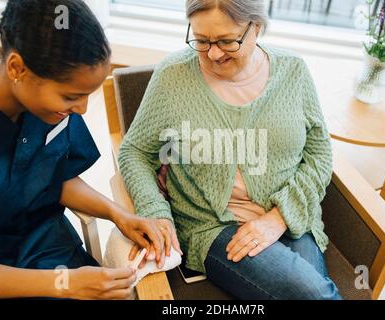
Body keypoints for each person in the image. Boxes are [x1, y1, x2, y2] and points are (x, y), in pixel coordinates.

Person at [119, 0, 342, 300]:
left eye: (226, 41)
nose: (213, 53)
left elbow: (319, 155)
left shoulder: (293, 72)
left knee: (312, 292)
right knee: (314, 293)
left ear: (257, 27)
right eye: (201, 41)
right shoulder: (173, 77)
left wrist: (279, 217)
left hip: (290, 214)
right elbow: (134, 151)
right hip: (212, 225)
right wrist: (156, 213)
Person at [0, 0, 170, 300]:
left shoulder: (48, 109)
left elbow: (54, 175)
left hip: (48, 246)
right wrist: (64, 284)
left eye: (88, 95)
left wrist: (118, 214)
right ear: (17, 68)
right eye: (71, 96)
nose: (83, 110)